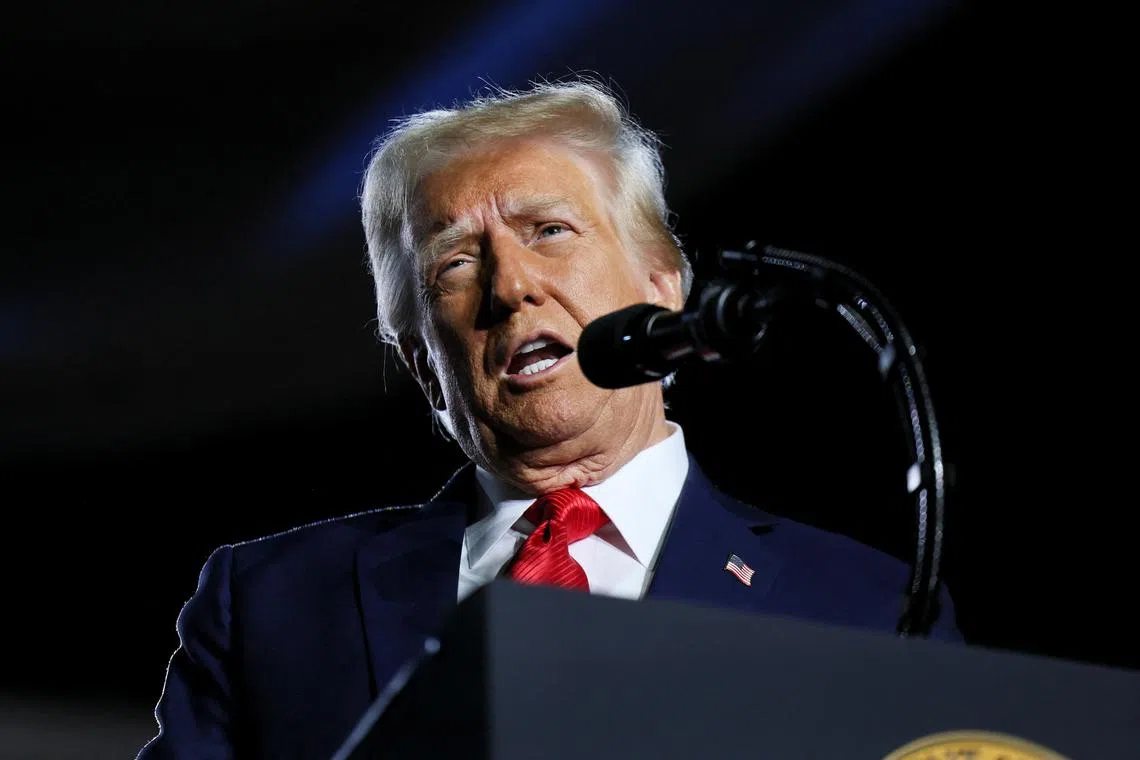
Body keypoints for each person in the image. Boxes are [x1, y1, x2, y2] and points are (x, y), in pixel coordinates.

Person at [137, 78, 961, 759]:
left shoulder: (868, 608)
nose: (511, 287)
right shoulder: (272, 606)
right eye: (456, 262)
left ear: (661, 284)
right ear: (423, 361)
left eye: (551, 231)